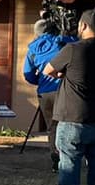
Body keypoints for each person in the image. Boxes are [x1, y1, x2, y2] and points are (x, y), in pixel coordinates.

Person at [41, 9, 95, 185]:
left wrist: (63, 73)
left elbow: (48, 70)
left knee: (69, 160)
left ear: (83, 26)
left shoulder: (73, 49)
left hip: (73, 115)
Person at [22, 19, 76, 171]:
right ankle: (69, 158)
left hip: (45, 93)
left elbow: (28, 74)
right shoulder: (64, 42)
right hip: (64, 89)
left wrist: (39, 80)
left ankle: (55, 160)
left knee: (52, 127)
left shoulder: (32, 49)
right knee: (67, 124)